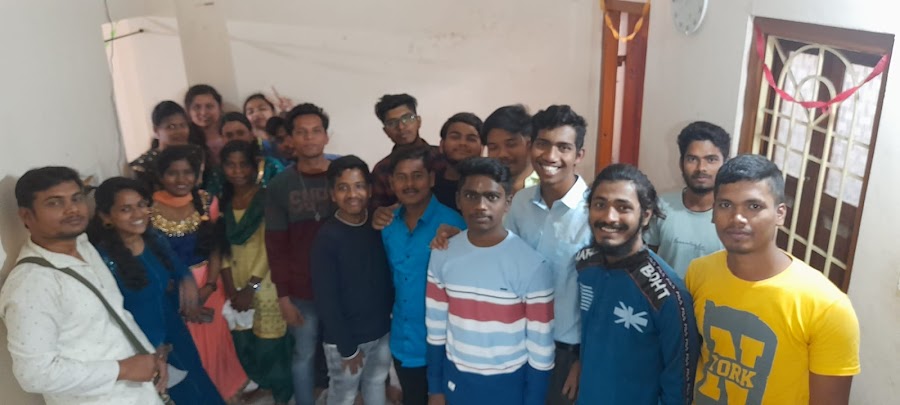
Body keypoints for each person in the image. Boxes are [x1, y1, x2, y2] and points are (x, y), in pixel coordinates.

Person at [687, 154, 860, 405]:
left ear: (780, 214)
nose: (737, 218)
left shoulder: (828, 307)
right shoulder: (699, 272)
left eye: (754, 206)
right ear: (713, 211)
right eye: (725, 205)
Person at [0, 167, 165, 404]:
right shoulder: (32, 284)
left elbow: (117, 315)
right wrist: (123, 369)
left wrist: (149, 356)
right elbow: (34, 375)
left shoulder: (83, 246)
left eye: (76, 198)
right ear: (27, 216)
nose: (72, 209)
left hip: (139, 394)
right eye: (55, 203)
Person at [425, 157, 554, 405]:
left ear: (508, 202)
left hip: (509, 388)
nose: (481, 206)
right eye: (471, 196)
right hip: (456, 382)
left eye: (492, 197)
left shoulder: (532, 266)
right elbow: (436, 329)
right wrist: (435, 389)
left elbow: (541, 349)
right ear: (458, 200)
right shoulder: (442, 253)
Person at [87, 177, 226, 405]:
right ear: (106, 217)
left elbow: (177, 268)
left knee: (200, 386)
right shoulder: (103, 260)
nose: (138, 214)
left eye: (141, 205)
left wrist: (186, 283)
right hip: (147, 346)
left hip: (175, 332)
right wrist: (155, 346)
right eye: (125, 209)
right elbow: (119, 314)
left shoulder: (152, 239)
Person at [575, 164, 698, 405]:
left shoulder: (668, 295)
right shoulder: (584, 265)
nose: (609, 217)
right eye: (600, 205)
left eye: (623, 207)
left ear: (646, 215)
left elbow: (680, 388)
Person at [506, 105, 592, 405]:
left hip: (568, 352)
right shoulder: (520, 202)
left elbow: (604, 294)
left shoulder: (595, 211)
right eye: (543, 144)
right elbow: (505, 259)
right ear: (531, 146)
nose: (550, 156)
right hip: (519, 340)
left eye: (563, 147)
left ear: (579, 155)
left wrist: (584, 359)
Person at [151, 145, 249, 401]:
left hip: (208, 284)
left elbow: (215, 248)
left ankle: (224, 394)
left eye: (187, 172)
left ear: (197, 175)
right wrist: (177, 294)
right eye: (172, 173)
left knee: (216, 344)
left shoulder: (206, 201)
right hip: (172, 290)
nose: (181, 179)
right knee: (189, 348)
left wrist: (210, 286)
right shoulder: (148, 208)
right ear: (160, 175)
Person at [380, 146, 466, 405]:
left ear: (431, 179)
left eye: (417, 176)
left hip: (446, 347)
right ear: (392, 182)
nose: (409, 184)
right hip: (404, 342)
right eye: (401, 177)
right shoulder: (387, 225)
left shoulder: (454, 225)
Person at [265, 103, 335, 405]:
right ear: (291, 139)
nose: (309, 138)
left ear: (326, 136)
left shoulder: (344, 177)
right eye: (301, 132)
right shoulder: (279, 186)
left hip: (342, 287)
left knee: (347, 352)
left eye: (315, 131)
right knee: (303, 354)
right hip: (301, 290)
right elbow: (275, 245)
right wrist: (283, 296)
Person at [311, 156, 394, 405]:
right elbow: (326, 299)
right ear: (332, 194)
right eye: (343, 188)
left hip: (381, 332)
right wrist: (347, 348)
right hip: (346, 340)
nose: (352, 194)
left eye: (358, 186)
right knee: (343, 395)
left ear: (369, 190)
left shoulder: (377, 225)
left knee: (376, 384)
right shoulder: (327, 238)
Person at [218, 141, 294, 405]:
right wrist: (230, 287)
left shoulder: (266, 199)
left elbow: (269, 247)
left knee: (271, 342)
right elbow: (220, 245)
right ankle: (264, 384)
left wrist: (251, 288)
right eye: (231, 165)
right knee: (245, 339)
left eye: (244, 164)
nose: (238, 171)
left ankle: (282, 392)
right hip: (235, 280)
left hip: (265, 282)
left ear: (255, 167)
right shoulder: (223, 201)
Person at [645, 121, 730, 277]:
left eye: (711, 160)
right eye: (692, 159)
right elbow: (646, 261)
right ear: (681, 163)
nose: (701, 168)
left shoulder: (734, 216)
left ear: (725, 164)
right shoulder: (661, 206)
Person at [370, 94, 446, 208]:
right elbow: (377, 209)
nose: (401, 127)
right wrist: (380, 213)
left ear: (418, 121)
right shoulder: (382, 170)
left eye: (407, 118)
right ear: (386, 131)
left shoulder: (442, 157)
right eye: (392, 123)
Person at [130, 100, 192, 191]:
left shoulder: (194, 156)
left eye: (182, 125)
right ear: (156, 130)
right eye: (171, 127)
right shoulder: (142, 167)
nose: (179, 132)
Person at [432, 112, 484, 211]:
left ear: (482, 148)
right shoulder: (429, 184)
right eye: (455, 137)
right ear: (441, 145)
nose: (462, 143)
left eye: (471, 139)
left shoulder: (490, 184)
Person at [483, 105, 539, 195]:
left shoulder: (547, 185)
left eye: (511, 145)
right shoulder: (484, 185)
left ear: (530, 144)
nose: (502, 154)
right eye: (493, 148)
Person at [185, 84, 225, 166]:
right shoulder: (185, 139)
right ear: (188, 111)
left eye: (209, 106)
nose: (203, 112)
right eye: (197, 107)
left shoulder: (231, 132)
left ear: (220, 107)